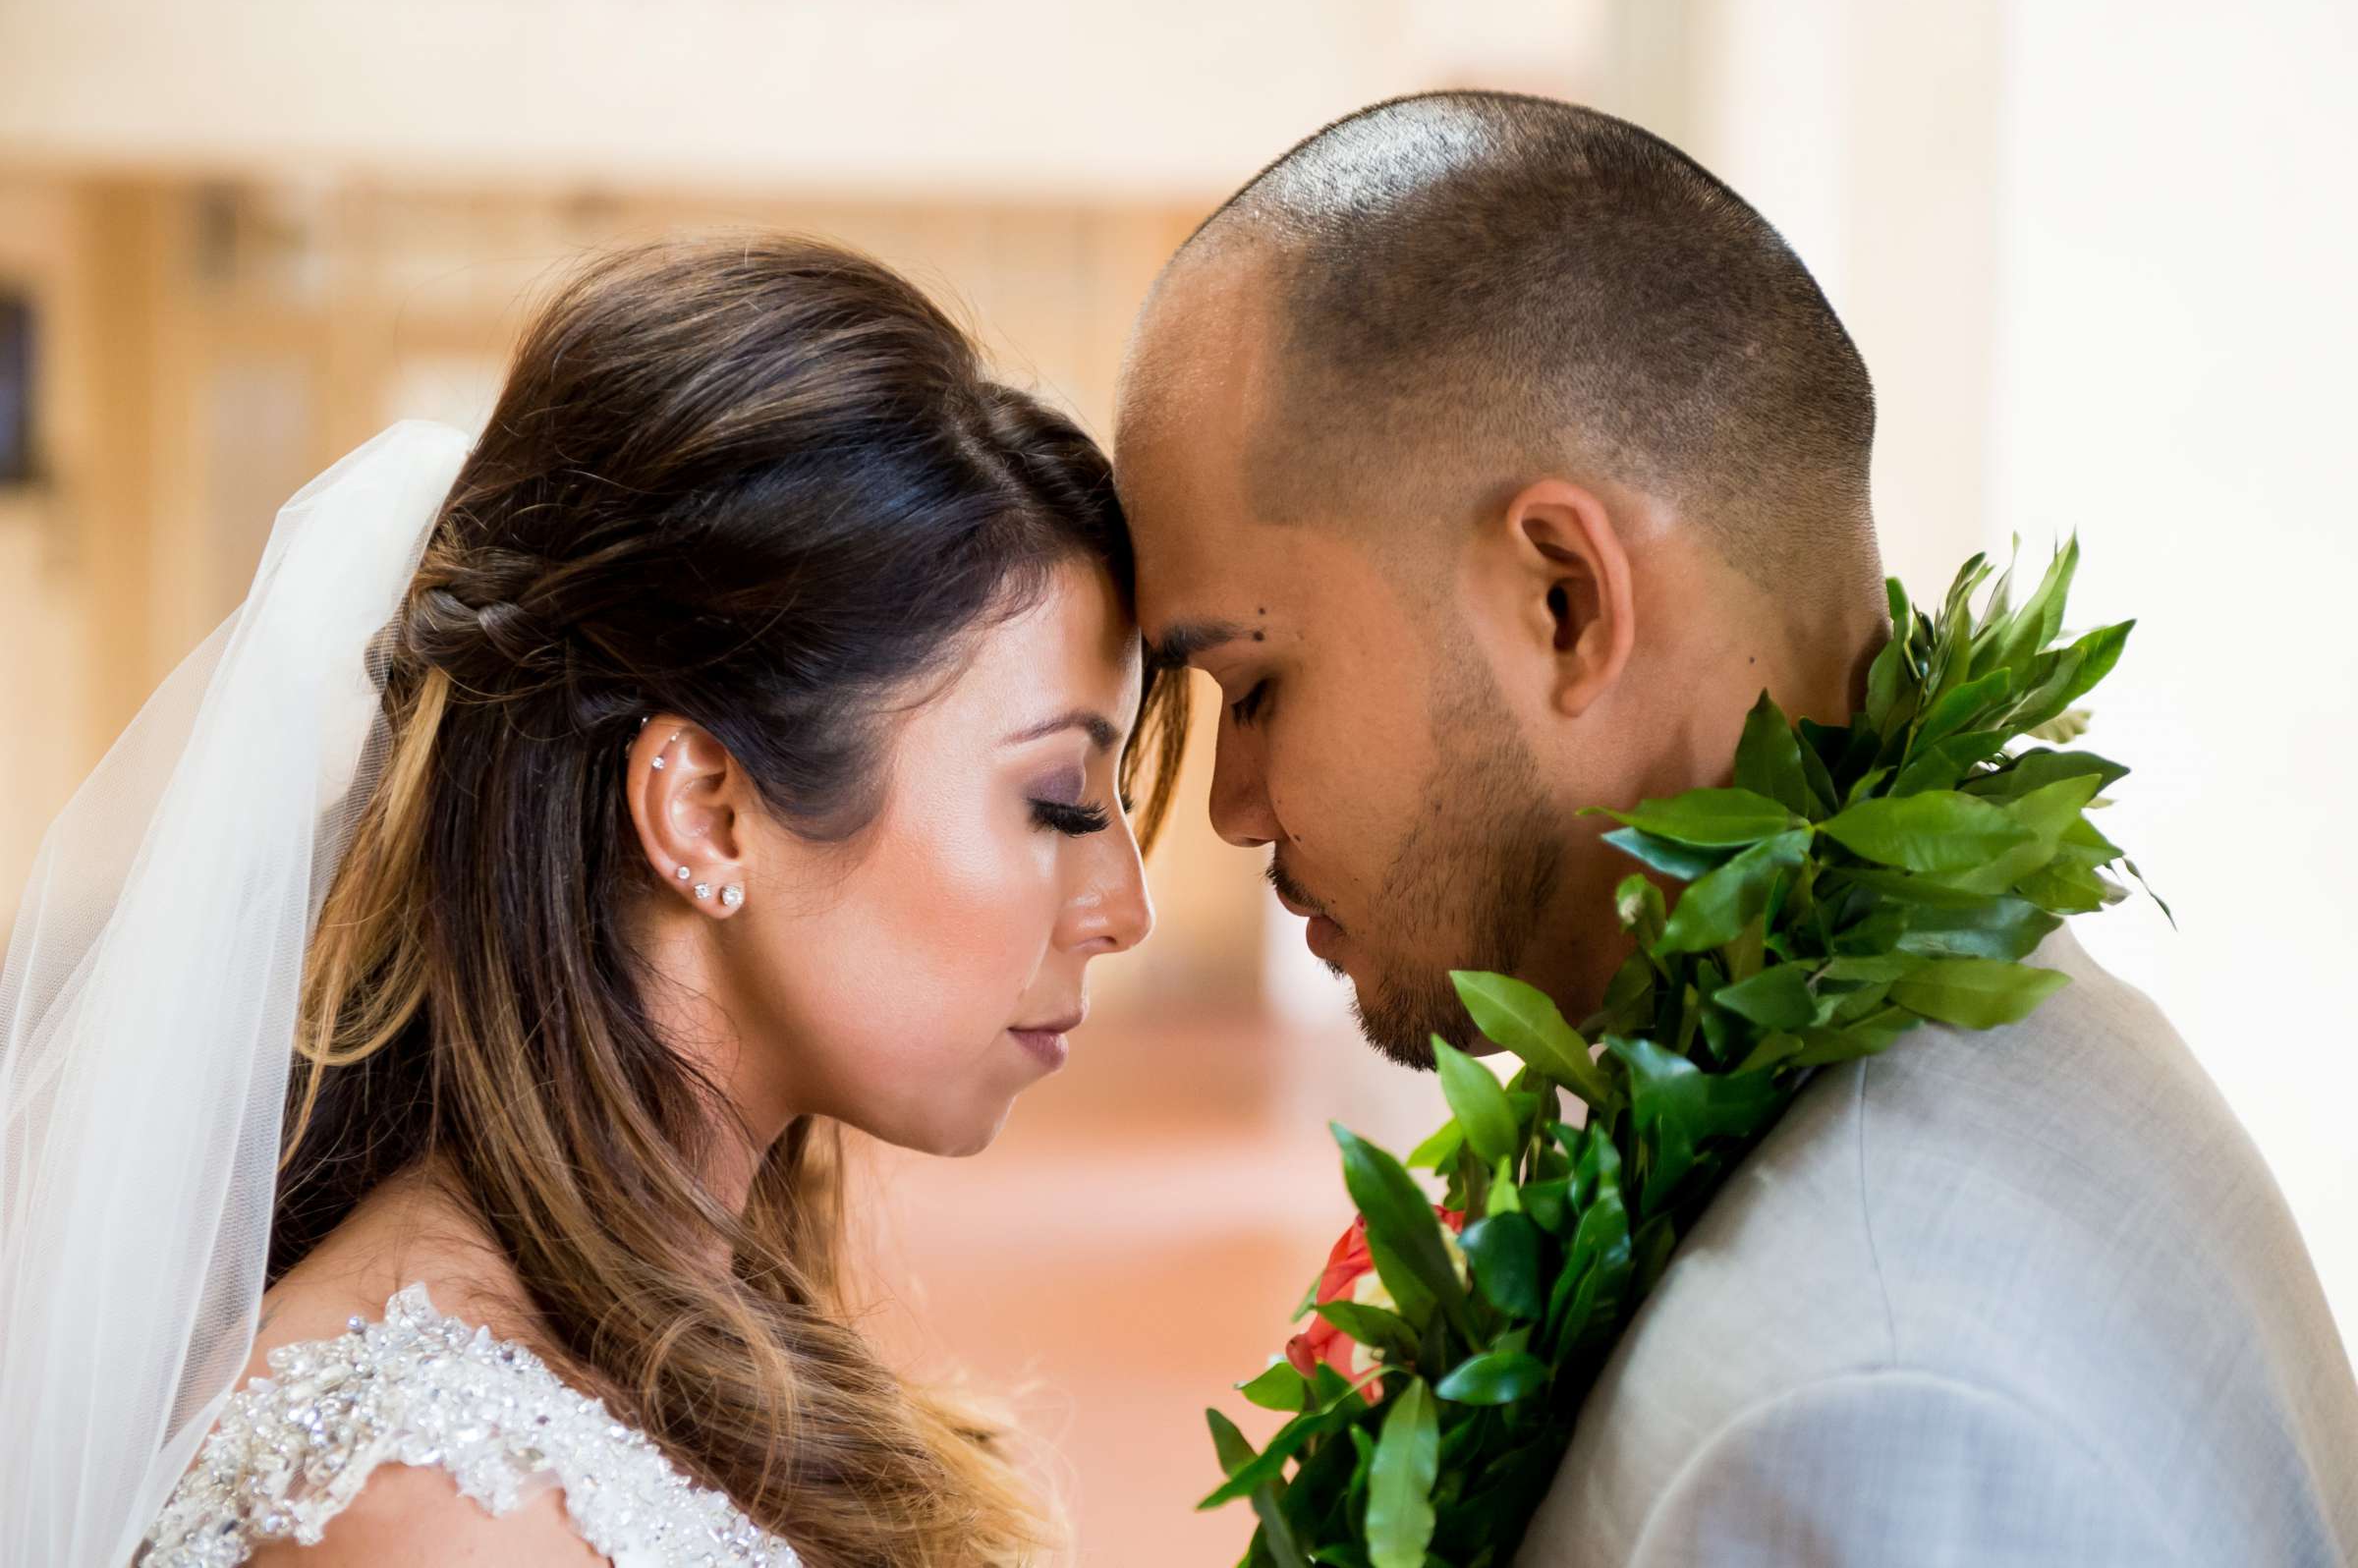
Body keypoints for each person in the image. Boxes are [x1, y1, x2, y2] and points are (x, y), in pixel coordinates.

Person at [1114, 90, 2358, 1565]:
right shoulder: (1933, 1047)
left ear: (1563, 600)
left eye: (1252, 688)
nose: (1230, 808)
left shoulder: (1873, 1419)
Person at [0, 236, 1184, 1567]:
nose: (1122, 904)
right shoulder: (426, 1505)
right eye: (1062, 803)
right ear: (704, 809)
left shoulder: (690, 1312)